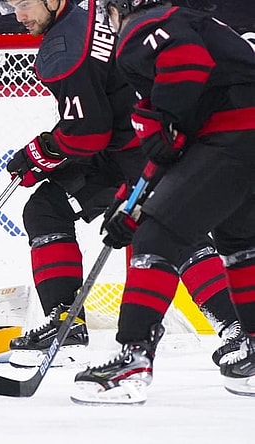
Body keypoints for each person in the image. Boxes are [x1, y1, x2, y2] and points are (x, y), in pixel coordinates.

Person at [0, 0, 240, 369]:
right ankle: (65, 323)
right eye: (12, 5)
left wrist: (42, 151)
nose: (19, 16)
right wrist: (49, 150)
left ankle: (237, 326)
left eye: (26, 4)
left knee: (171, 229)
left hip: (152, 145)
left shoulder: (65, 47)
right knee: (47, 208)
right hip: (123, 147)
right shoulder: (85, 17)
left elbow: (87, 134)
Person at [72, 0, 255, 403]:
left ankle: (133, 358)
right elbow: (170, 144)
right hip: (239, 137)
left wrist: (166, 120)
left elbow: (186, 62)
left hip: (232, 138)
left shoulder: (146, 24)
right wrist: (128, 199)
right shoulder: (193, 20)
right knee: (239, 245)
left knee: (156, 238)